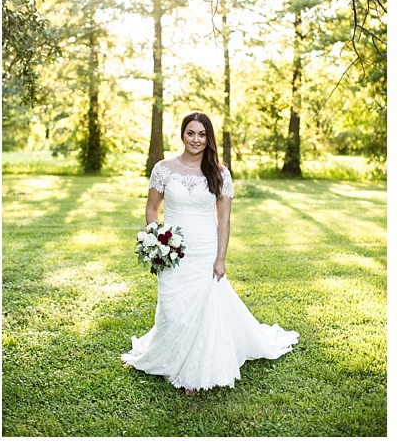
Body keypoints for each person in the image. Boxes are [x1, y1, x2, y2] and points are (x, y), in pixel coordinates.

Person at [121, 111, 297, 394]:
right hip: (173, 250)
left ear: (209, 138)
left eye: (202, 134)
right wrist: (158, 238)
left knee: (203, 311)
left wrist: (220, 258)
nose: (196, 139)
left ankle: (194, 371)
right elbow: (152, 208)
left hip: (205, 249)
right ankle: (169, 355)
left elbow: (224, 219)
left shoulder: (219, 173)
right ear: (182, 134)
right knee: (174, 308)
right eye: (191, 133)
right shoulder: (163, 168)